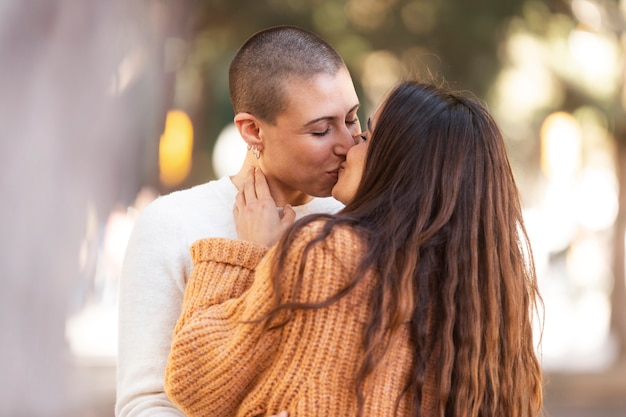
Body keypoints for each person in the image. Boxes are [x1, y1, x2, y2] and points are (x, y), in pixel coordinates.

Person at [164, 80, 545, 417]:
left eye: (366, 136)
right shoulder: (490, 297)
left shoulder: (331, 254)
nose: (348, 147)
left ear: (401, 162)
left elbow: (195, 382)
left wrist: (256, 258)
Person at [115, 25, 361, 417]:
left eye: (351, 119)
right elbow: (146, 403)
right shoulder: (172, 223)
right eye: (320, 129)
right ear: (252, 130)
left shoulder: (357, 221)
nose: (347, 145)